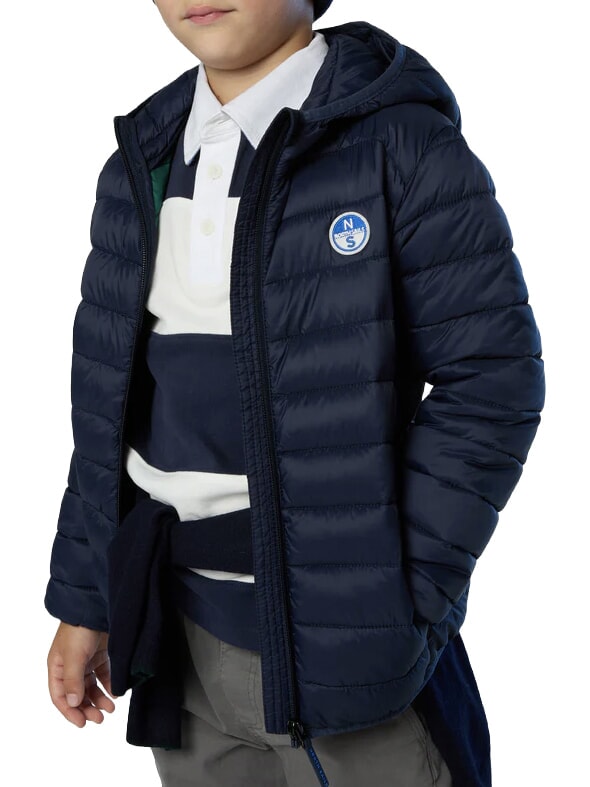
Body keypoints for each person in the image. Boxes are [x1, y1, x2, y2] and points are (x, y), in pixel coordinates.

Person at [45, 1, 546, 785]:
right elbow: (107, 408)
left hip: (349, 652)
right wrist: (87, 599)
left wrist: (402, 591)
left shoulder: (399, 145)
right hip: (179, 640)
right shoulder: (141, 161)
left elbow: (493, 377)